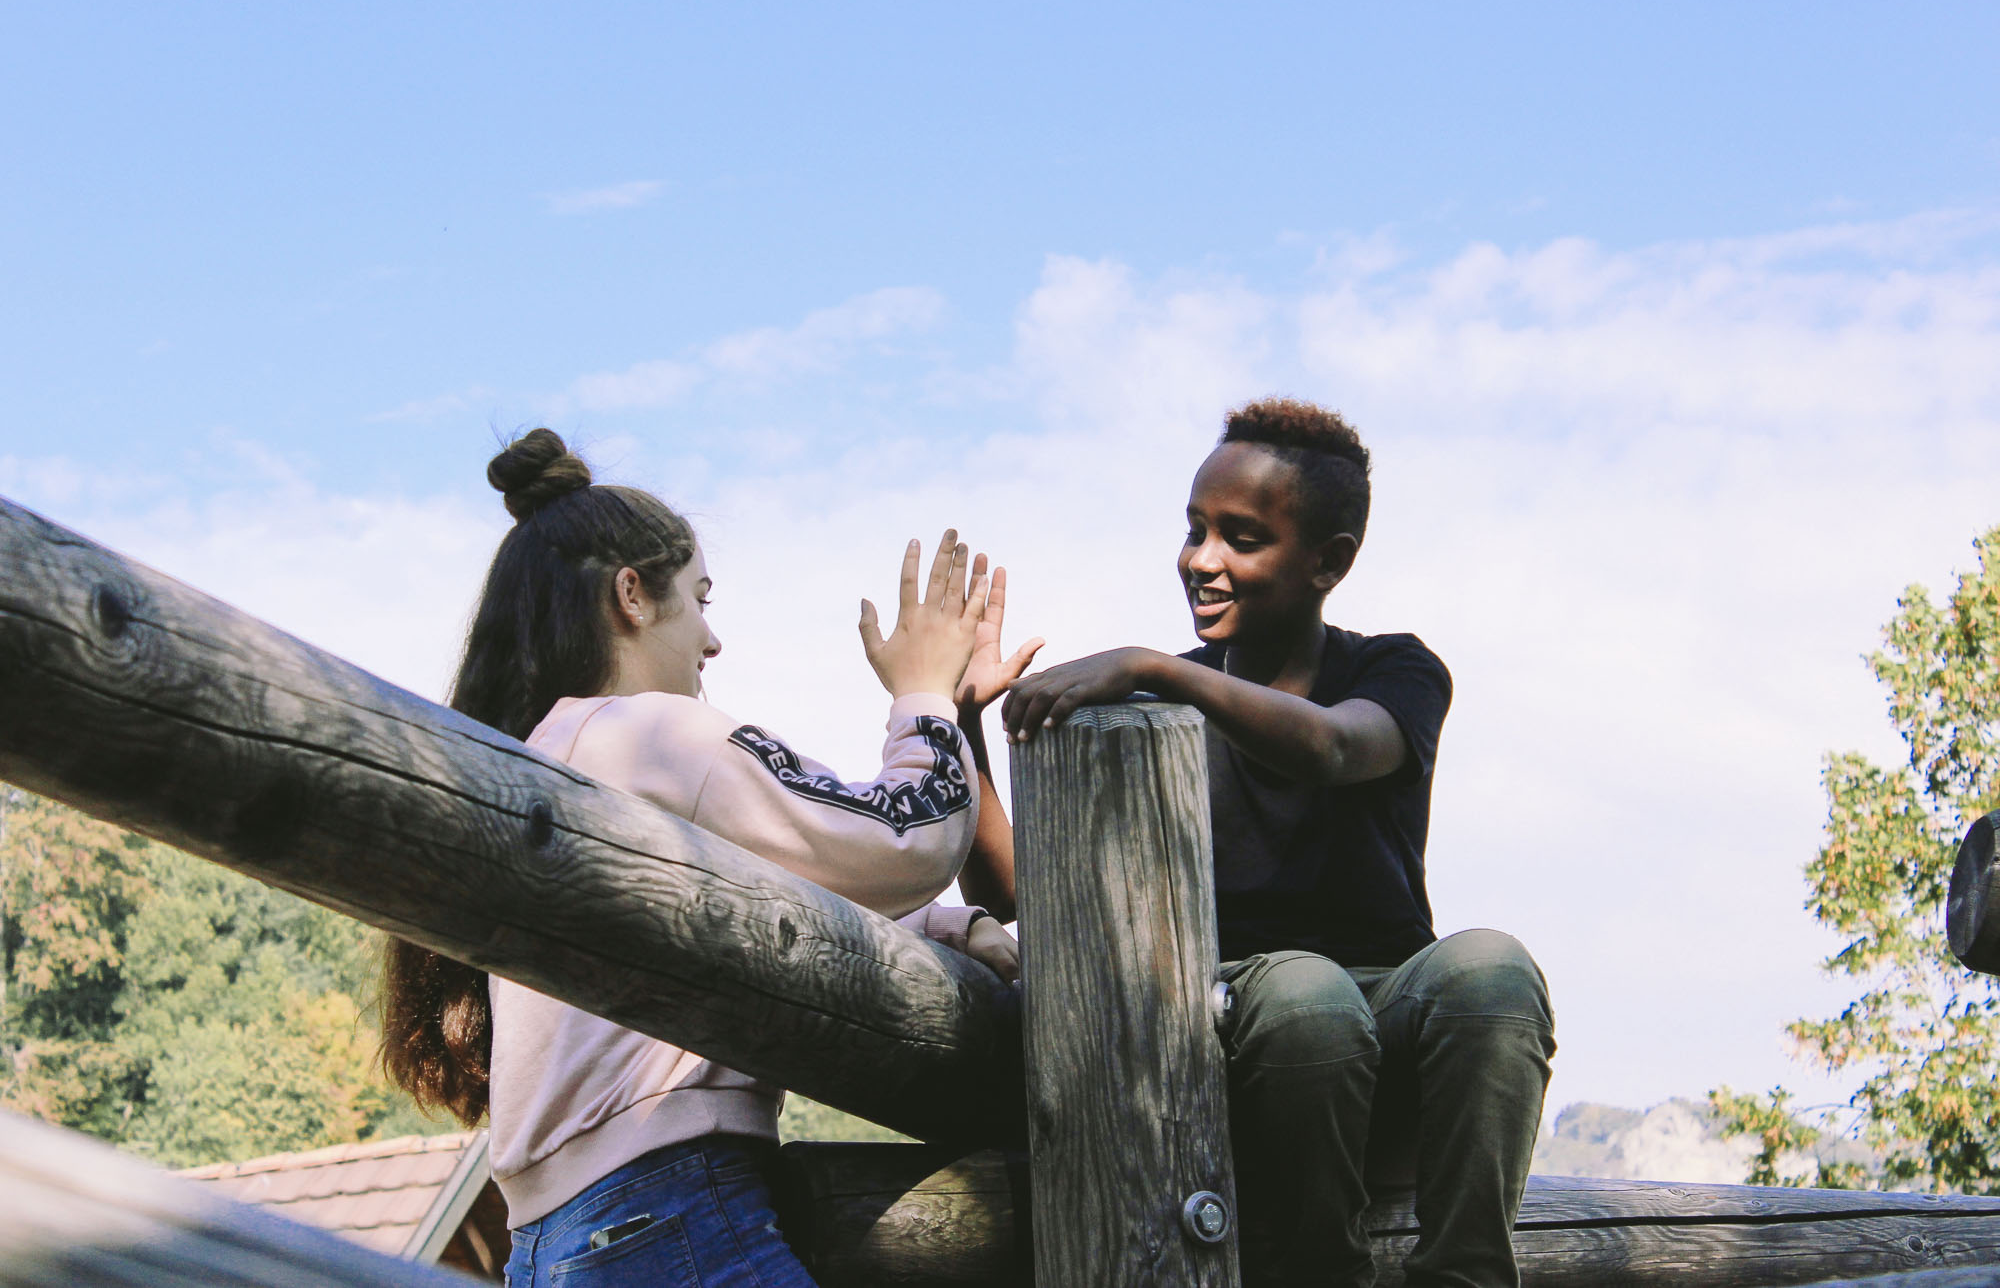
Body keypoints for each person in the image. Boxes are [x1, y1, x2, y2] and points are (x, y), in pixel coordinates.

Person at [380, 429, 1033, 1287]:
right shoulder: (644, 732)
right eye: (701, 598)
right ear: (631, 597)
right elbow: (906, 836)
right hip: (667, 1213)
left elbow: (759, 904)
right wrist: (924, 691)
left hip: (550, 1243)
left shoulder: (552, 759)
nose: (712, 641)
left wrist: (944, 927)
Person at [995, 399, 1556, 1288]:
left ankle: (1467, 1275)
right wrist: (959, 718)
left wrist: (1155, 666)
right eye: (1194, 529)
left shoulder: (1393, 670)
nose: (1201, 560)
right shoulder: (1150, 714)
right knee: (1306, 992)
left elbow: (1335, 746)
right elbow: (1033, 891)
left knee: (1493, 966)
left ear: (1329, 561)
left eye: (1241, 537)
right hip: (1236, 1013)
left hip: (1387, 1007)